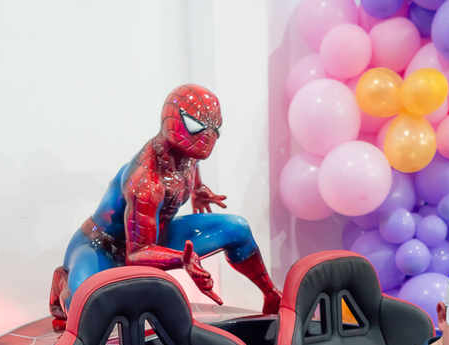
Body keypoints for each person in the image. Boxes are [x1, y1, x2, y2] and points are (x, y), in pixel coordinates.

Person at [48, 84, 281, 326]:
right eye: (197, 127)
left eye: (216, 128)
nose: (209, 136)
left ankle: (271, 295)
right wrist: (182, 259)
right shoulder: (146, 181)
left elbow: (191, 162)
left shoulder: (186, 154)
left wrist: (199, 190)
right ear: (174, 121)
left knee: (237, 229)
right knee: (82, 306)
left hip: (157, 234)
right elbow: (136, 254)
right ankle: (63, 281)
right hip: (103, 245)